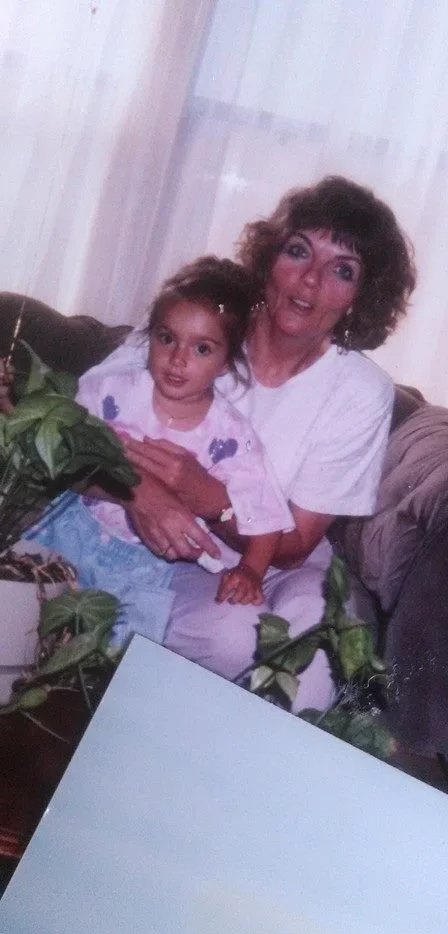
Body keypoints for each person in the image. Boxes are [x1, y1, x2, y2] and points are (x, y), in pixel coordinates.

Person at [111, 176, 417, 712]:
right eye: (298, 251)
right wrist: (144, 492)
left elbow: (296, 541)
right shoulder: (203, 323)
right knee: (240, 639)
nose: (310, 279)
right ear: (269, 256)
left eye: (342, 270)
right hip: (171, 555)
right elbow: (89, 425)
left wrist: (212, 498)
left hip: (289, 560)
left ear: (360, 298)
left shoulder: (361, 391)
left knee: (316, 652)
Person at [0, 258, 294, 644]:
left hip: (144, 565)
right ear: (149, 336)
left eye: (202, 348)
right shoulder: (112, 390)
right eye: (166, 338)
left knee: (100, 661)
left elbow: (265, 516)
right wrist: (8, 403)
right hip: (69, 528)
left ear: (227, 360)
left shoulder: (232, 434)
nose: (178, 358)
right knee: (17, 623)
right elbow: (54, 440)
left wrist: (252, 571)